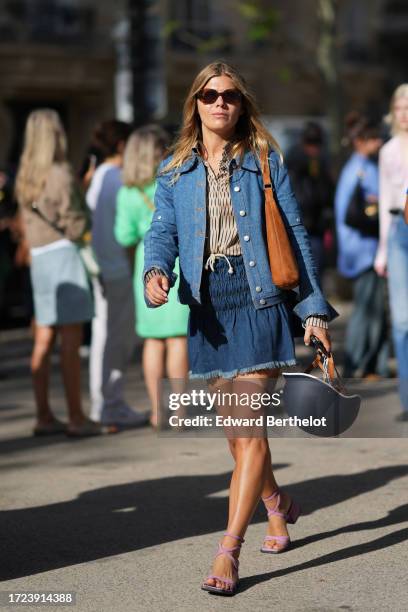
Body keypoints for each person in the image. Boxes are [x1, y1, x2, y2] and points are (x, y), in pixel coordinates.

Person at [143, 61, 336, 595]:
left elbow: (295, 231)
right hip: (208, 307)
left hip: (259, 299)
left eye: (229, 95)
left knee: (249, 430)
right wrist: (155, 270)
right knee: (238, 436)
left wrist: (312, 308)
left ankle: (228, 552)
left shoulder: (264, 160)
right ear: (196, 104)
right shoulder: (174, 169)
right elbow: (162, 232)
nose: (220, 103)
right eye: (209, 95)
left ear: (242, 103)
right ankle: (278, 505)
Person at [15, 109, 100, 437]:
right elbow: (77, 222)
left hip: (39, 258)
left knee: (43, 338)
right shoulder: (60, 172)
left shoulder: (25, 175)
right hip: (64, 256)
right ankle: (77, 417)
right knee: (70, 340)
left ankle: (44, 415)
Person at [114, 125, 189, 429]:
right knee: (178, 339)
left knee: (152, 341)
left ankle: (158, 411)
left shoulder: (127, 192)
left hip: (144, 271)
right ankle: (181, 411)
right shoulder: (173, 180)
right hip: (177, 265)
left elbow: (123, 235)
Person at [86, 120, 148, 429]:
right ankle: (111, 403)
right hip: (118, 269)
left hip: (103, 267)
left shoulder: (99, 176)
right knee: (116, 339)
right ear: (122, 145)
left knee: (104, 337)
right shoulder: (117, 178)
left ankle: (105, 403)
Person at [335, 112, 389, 379]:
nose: (379, 143)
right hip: (363, 251)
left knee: (373, 309)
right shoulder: (357, 170)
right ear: (362, 141)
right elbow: (354, 214)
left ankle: (369, 365)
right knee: (366, 311)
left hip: (368, 250)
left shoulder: (365, 166)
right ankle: (356, 364)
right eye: (374, 139)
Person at [375, 84, 408, 421]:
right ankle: (406, 399)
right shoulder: (387, 151)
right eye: (399, 106)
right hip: (399, 230)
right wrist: (382, 251)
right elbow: (385, 202)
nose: (404, 112)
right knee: (401, 321)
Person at [287, 122, 334, 279]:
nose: (313, 148)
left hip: (316, 230)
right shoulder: (294, 161)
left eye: (316, 144)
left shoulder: (322, 162)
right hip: (298, 226)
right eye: (310, 143)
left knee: (315, 272)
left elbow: (326, 194)